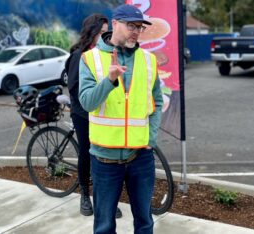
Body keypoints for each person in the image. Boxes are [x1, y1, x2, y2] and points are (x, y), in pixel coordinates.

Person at [79, 4, 163, 234]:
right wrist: (109, 79)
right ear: (115, 24)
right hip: (105, 160)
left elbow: (156, 102)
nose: (136, 31)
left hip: (140, 156)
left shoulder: (148, 60)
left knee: (145, 221)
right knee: (104, 225)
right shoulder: (90, 59)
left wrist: (151, 137)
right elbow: (87, 102)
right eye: (131, 25)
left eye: (140, 27)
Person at [67, 13, 122, 218]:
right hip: (83, 113)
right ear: (92, 33)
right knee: (88, 152)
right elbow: (74, 89)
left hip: (104, 112)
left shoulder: (109, 53)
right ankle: (84, 194)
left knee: (105, 155)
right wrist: (89, 110)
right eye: (101, 32)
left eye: (107, 31)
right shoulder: (79, 56)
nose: (105, 35)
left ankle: (106, 199)